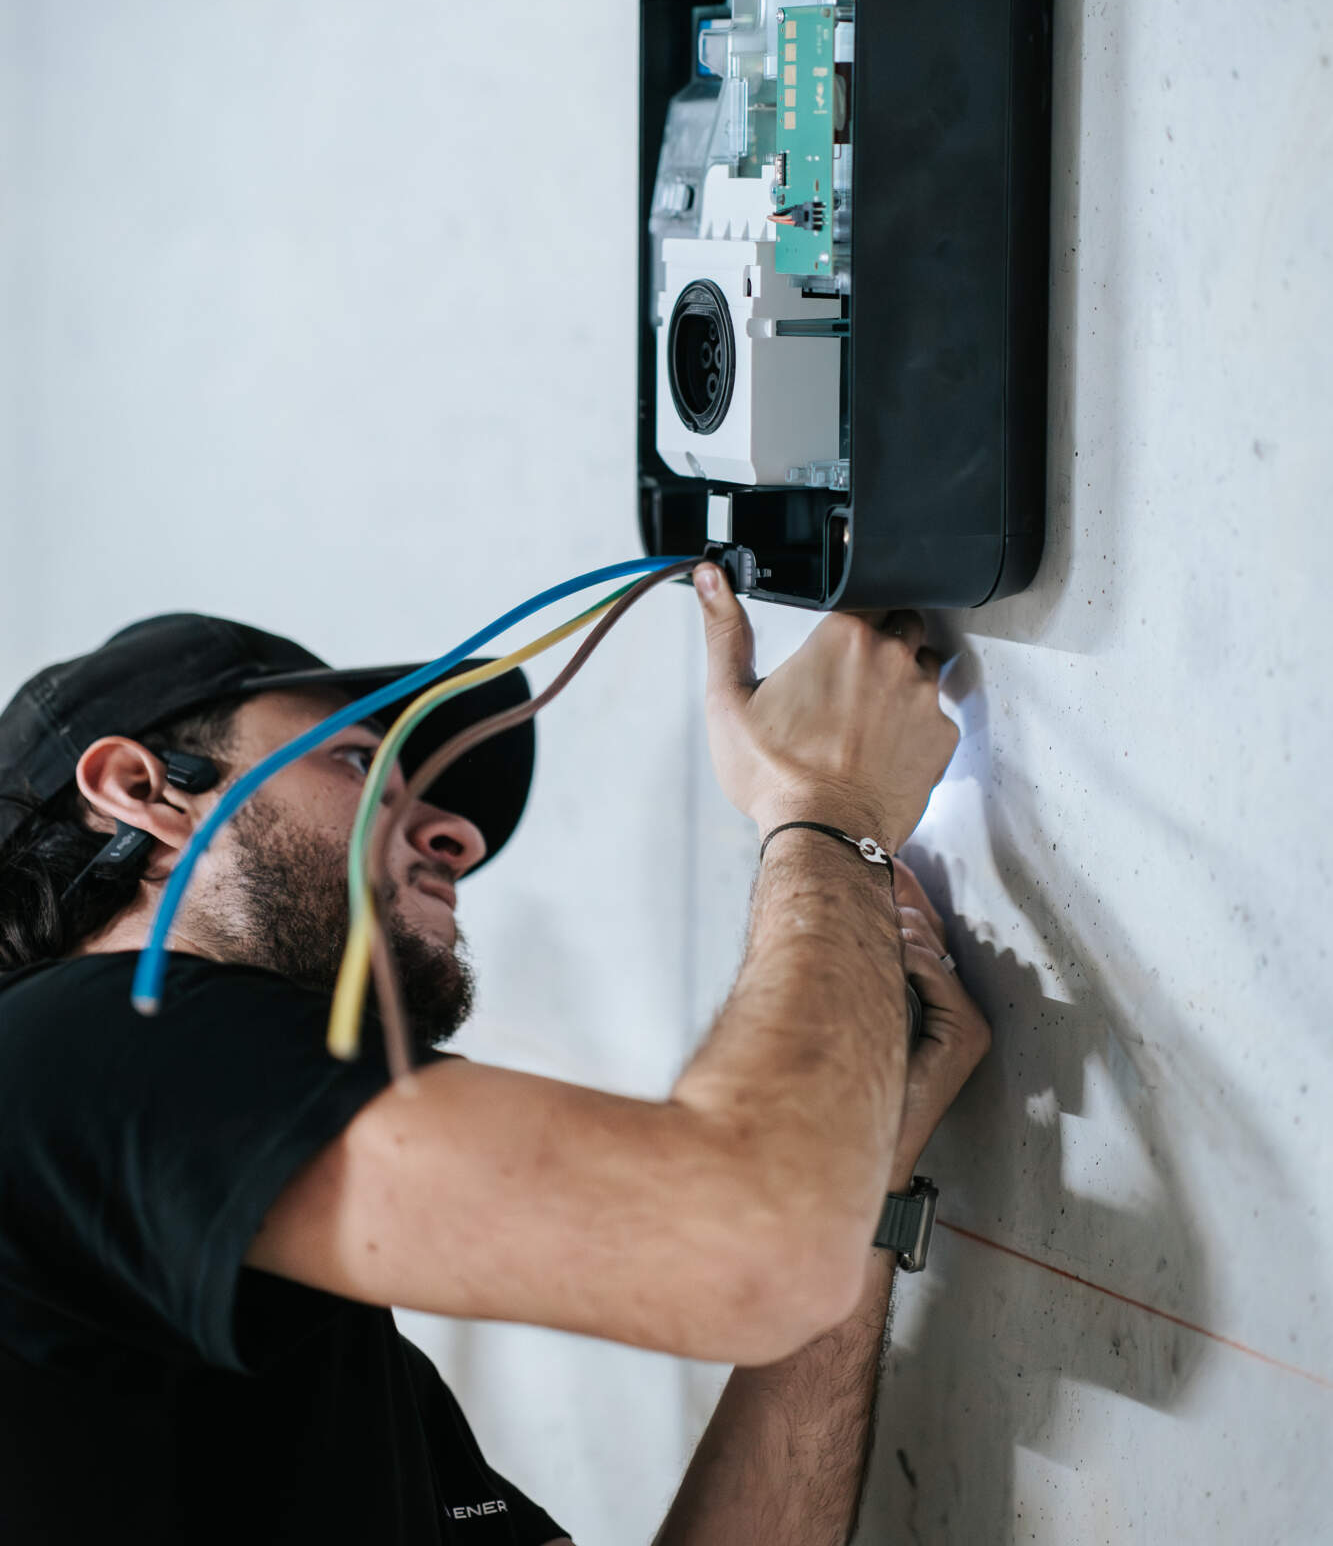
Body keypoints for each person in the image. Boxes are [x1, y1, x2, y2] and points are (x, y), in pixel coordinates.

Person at [0, 566, 990, 1545]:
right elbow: (749, 1255)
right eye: (359, 762)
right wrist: (824, 801)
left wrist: (857, 1168)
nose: (457, 835)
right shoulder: (87, 1043)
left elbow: (768, 1256)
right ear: (142, 789)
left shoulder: (331, 1356)